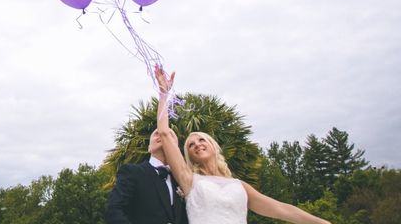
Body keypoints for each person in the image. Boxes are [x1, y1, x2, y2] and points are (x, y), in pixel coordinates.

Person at [154, 65, 332, 224]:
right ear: (190, 156)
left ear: (214, 146)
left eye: (202, 140)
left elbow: (280, 209)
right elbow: (164, 133)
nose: (197, 144)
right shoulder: (190, 181)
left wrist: (318, 222)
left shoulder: (239, 186)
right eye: (191, 145)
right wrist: (164, 94)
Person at [105, 128, 188, 224]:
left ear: (176, 149)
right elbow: (114, 210)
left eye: (169, 135)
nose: (162, 135)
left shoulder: (181, 180)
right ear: (149, 148)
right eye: (157, 134)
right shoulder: (132, 172)